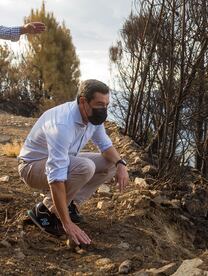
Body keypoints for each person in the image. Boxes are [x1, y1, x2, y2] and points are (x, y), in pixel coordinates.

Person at [17, 79, 129, 245]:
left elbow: (105, 146)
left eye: (106, 105)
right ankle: (45, 211)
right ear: (83, 101)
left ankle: (67, 205)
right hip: (31, 167)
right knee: (85, 167)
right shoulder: (62, 124)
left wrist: (121, 164)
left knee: (111, 163)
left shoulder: (92, 117)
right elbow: (56, 177)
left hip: (62, 160)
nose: (103, 110)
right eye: (99, 104)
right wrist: (67, 224)